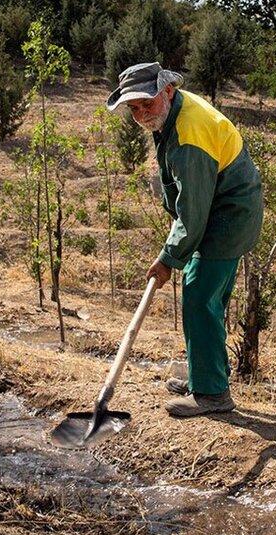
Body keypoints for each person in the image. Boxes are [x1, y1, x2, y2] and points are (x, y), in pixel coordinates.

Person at [106, 61, 263, 417]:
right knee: (206, 298)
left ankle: (212, 394)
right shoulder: (172, 112)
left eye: (147, 104)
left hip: (227, 216)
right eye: (134, 108)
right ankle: (203, 375)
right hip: (217, 210)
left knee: (198, 296)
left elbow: (193, 211)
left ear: (168, 90)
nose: (142, 114)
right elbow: (189, 202)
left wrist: (167, 259)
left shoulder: (190, 133)